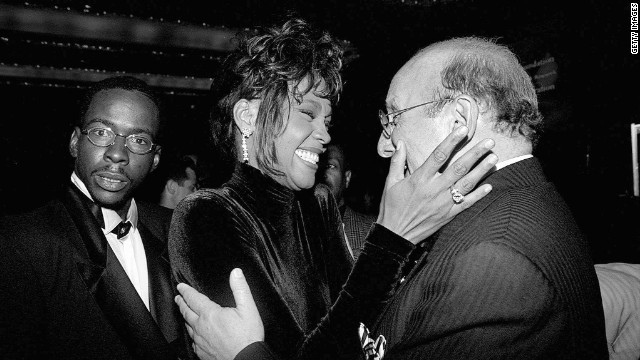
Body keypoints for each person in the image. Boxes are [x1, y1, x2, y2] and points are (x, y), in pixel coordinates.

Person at [174, 36, 610, 359]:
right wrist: (389, 242)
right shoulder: (207, 215)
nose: (327, 135)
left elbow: (362, 331)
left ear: (460, 119)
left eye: (394, 118)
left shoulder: (491, 255)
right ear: (248, 116)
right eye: (309, 112)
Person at [0, 76, 190, 359]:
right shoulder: (21, 243)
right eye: (102, 133)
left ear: (156, 159)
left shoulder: (178, 230)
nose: (116, 154)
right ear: (76, 142)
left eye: (138, 140)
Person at [319, 142, 376, 259]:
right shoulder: (290, 228)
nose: (321, 173)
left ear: (347, 178)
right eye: (317, 164)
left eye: (330, 166)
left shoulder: (372, 232)